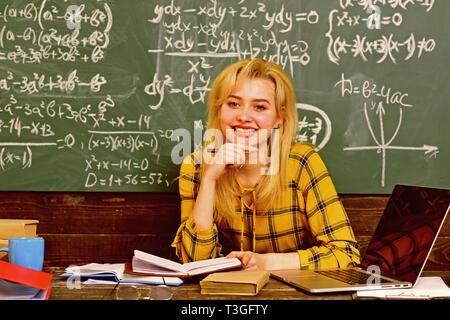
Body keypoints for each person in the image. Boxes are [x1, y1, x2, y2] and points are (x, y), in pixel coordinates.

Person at [171, 58, 360, 270]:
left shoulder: (301, 162)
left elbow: (345, 253)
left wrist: (266, 262)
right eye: (233, 104)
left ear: (279, 117)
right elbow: (195, 262)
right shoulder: (196, 166)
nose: (243, 116)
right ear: (218, 110)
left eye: (259, 107)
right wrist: (209, 179)